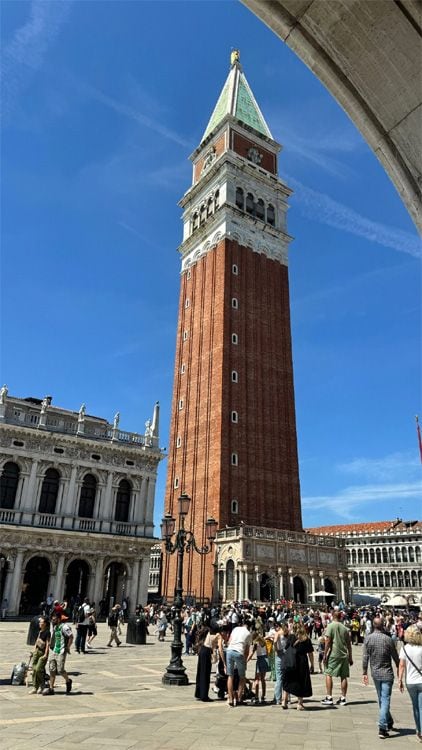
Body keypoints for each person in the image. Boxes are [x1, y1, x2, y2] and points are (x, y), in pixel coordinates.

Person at [362, 615, 399, 739]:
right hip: (387, 673)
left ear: (373, 625)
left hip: (376, 674)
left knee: (382, 699)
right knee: (385, 699)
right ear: (383, 625)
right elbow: (395, 657)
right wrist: (400, 668)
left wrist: (364, 672)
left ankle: (388, 721)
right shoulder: (388, 639)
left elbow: (365, 657)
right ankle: (382, 728)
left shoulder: (368, 639)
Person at [321, 609, 353, 706]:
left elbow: (328, 641)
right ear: (340, 617)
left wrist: (325, 654)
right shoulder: (345, 628)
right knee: (343, 676)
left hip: (334, 654)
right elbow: (349, 644)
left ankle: (329, 697)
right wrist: (350, 657)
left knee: (328, 673)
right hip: (344, 655)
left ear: (332, 616)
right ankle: (343, 698)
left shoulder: (330, 626)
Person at [398, 623, 422, 743]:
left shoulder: (404, 649)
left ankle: (418, 729)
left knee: (416, 707)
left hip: (410, 682)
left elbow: (401, 665)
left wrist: (399, 680)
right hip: (421, 681)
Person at [282, 623, 313, 710]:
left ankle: (284, 701)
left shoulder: (291, 637)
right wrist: (312, 664)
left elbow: (286, 648)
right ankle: (299, 704)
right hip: (302, 662)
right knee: (301, 681)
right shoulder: (306, 639)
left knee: (288, 679)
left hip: (291, 661)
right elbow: (310, 653)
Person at [43, 611, 73, 695]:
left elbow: (71, 636)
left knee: (60, 670)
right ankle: (51, 688)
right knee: (52, 669)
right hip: (54, 650)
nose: (53, 620)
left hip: (61, 651)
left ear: (59, 619)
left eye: (55, 618)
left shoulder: (65, 627)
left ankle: (68, 680)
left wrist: (68, 647)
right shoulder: (55, 626)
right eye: (52, 618)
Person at [225, 618, 252, 706]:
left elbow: (229, 641)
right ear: (249, 627)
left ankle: (230, 699)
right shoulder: (248, 633)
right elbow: (247, 651)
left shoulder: (235, 629)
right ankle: (239, 698)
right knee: (242, 677)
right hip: (239, 652)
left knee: (230, 675)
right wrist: (244, 661)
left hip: (229, 651)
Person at [194, 625, 219, 701]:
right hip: (207, 651)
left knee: (200, 672)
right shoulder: (217, 635)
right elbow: (216, 647)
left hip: (202, 650)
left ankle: (199, 693)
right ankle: (204, 695)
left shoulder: (209, 632)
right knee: (205, 674)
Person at [29, 616, 51, 694]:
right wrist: (34, 651)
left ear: (44, 623)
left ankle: (42, 685)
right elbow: (36, 642)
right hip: (37, 652)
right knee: (34, 670)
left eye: (41, 622)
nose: (39, 623)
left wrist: (46, 654)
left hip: (42, 652)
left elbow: (48, 644)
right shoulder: (40, 631)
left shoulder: (47, 632)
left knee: (38, 669)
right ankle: (35, 687)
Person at [249, 631, 269, 704]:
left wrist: (247, 660)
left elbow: (251, 654)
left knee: (256, 679)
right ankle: (263, 696)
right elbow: (267, 651)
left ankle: (257, 696)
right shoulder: (263, 640)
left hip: (260, 659)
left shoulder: (255, 643)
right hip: (266, 659)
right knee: (263, 679)